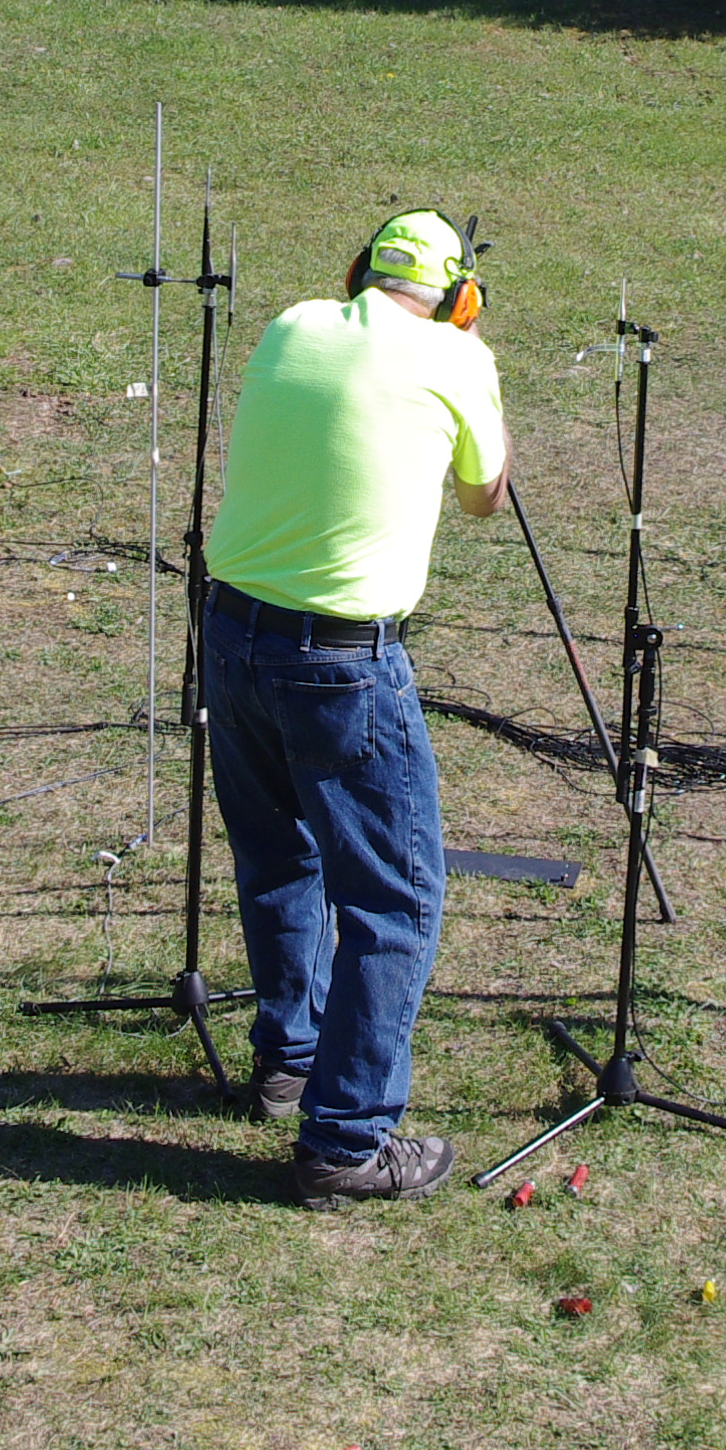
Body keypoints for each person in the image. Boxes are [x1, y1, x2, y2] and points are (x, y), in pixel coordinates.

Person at [196, 208, 509, 1207]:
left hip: (232, 635)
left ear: (355, 274)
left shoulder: (291, 324)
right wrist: (477, 370)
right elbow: (482, 495)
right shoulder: (458, 358)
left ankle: (289, 1058)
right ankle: (346, 1139)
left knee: (278, 855)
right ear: (459, 299)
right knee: (394, 899)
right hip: (340, 663)